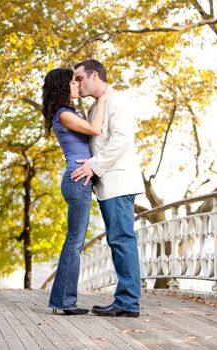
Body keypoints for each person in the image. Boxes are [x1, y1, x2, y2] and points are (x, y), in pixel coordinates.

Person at [71, 59, 145, 318]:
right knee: (118, 240)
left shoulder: (117, 100)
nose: (76, 83)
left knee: (122, 240)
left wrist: (93, 166)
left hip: (118, 182)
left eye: (79, 78)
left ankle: (128, 303)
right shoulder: (95, 106)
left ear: (93, 75)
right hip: (108, 184)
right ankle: (124, 299)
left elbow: (122, 139)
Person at [42, 68, 108, 315]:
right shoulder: (64, 115)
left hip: (78, 180)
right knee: (74, 242)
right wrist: (102, 98)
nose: (77, 86)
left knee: (74, 241)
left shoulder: (67, 113)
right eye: (72, 82)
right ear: (62, 87)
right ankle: (65, 302)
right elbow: (95, 129)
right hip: (77, 180)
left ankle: (62, 301)